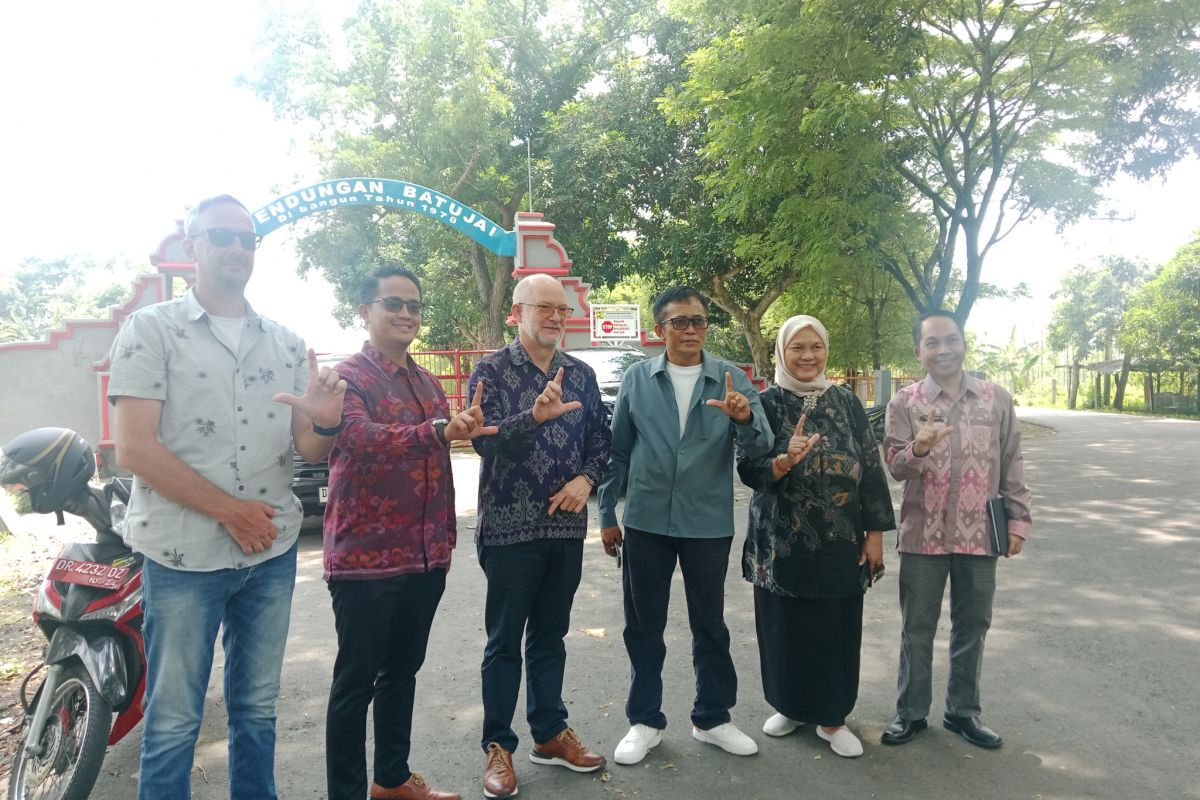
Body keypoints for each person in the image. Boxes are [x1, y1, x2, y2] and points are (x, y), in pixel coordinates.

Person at [108, 194, 346, 800]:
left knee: (257, 711)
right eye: (222, 236)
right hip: (183, 557)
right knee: (173, 720)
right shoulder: (151, 330)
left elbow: (309, 449)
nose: (238, 247)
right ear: (192, 246)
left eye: (248, 238)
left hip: (270, 553)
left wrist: (325, 420)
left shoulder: (286, 343)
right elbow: (133, 447)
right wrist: (230, 512)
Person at [323, 266, 497, 800]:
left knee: (401, 672)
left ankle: (392, 779)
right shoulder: (346, 378)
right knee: (355, 682)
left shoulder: (427, 382)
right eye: (393, 303)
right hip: (364, 559)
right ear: (365, 311)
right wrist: (439, 430)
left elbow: (439, 449)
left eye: (414, 305)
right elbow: (359, 437)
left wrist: (464, 431)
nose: (406, 313)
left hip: (425, 555)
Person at [598, 286, 773, 766]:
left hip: (707, 522)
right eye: (679, 321)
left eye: (698, 321)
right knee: (643, 625)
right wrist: (607, 513)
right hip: (646, 521)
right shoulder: (637, 379)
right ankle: (644, 721)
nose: (691, 329)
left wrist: (744, 420)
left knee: (710, 624)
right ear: (661, 330)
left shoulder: (731, 379)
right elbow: (617, 452)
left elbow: (761, 447)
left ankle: (712, 718)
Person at [467, 273, 611, 800]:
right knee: (504, 642)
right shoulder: (491, 371)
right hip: (510, 530)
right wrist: (532, 416)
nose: (555, 317)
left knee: (550, 636)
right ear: (517, 312)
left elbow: (602, 441)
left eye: (562, 309)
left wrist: (586, 480)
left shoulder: (582, 374)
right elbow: (483, 442)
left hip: (566, 528)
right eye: (543, 307)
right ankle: (498, 746)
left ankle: (549, 733)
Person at [735, 315, 895, 758]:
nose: (808, 356)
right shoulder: (766, 403)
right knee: (783, 628)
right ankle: (789, 706)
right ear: (781, 353)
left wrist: (875, 533)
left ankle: (831, 718)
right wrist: (783, 461)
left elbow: (871, 468)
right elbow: (748, 467)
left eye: (816, 347)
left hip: (841, 539)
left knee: (834, 629)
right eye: (797, 348)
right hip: (779, 541)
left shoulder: (846, 401)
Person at [881, 310, 1032, 749]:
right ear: (918, 351)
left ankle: (963, 712)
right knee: (917, 628)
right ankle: (910, 713)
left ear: (964, 343)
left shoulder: (995, 399)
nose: (943, 349)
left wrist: (1018, 520)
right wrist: (918, 448)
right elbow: (895, 467)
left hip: (980, 533)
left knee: (973, 625)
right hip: (922, 534)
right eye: (932, 342)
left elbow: (1012, 462)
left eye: (951, 339)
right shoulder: (904, 403)